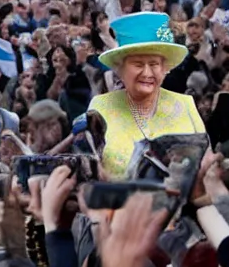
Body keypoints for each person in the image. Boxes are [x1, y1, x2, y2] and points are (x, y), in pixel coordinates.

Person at [88, 10, 205, 178]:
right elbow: (89, 169)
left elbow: (205, 164)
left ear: (165, 68)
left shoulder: (186, 104)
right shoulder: (100, 106)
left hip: (180, 201)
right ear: (120, 69)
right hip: (117, 200)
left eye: (154, 64)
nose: (147, 73)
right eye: (137, 64)